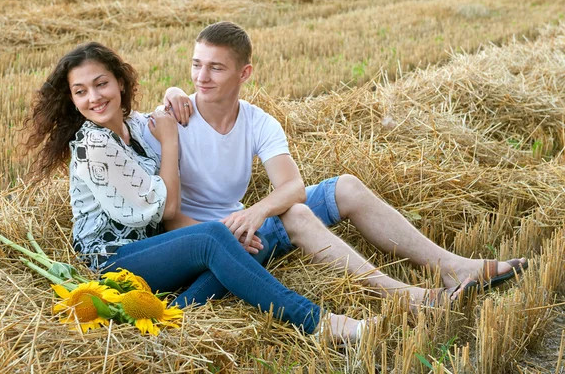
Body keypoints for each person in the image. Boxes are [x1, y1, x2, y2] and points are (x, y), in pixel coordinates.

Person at [144, 21, 528, 309]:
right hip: (208, 244)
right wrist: (232, 236)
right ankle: (410, 298)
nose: (200, 77)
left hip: (246, 229)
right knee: (295, 215)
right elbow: (169, 215)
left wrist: (256, 213)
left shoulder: (259, 121)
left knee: (345, 186)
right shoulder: (173, 118)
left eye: (215, 67)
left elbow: (291, 186)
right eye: (196, 65)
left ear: (244, 73)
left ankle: (455, 267)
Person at [22, 41, 374, 343]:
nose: (94, 98)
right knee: (214, 238)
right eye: (80, 91)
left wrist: (173, 94)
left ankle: (176, 310)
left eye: (101, 84)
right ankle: (321, 323)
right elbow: (166, 209)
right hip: (111, 260)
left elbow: (168, 110)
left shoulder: (134, 127)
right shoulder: (93, 145)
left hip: (151, 251)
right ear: (71, 99)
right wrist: (172, 140)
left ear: (120, 83)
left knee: (234, 245)